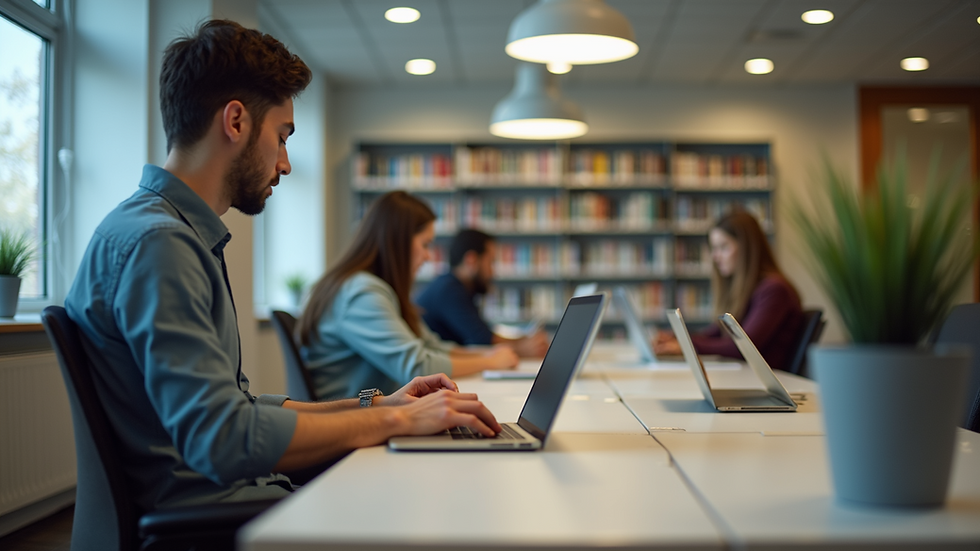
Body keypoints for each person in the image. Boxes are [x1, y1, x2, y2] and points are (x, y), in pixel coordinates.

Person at [65, 20, 500, 512]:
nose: (286, 162)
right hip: (213, 517)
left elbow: (238, 407)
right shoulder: (160, 245)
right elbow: (224, 439)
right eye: (282, 135)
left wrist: (380, 405)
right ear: (235, 122)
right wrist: (396, 422)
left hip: (223, 499)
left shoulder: (170, 232)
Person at [297, 192, 519, 401]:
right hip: (352, 421)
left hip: (368, 412)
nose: (428, 256)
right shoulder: (361, 293)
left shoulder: (376, 289)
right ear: (398, 242)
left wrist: (488, 354)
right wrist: (489, 361)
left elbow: (433, 347)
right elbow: (417, 368)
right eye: (425, 244)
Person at [653, 209, 804, 370]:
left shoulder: (775, 290)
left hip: (764, 382)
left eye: (723, 247)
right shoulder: (749, 289)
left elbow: (742, 348)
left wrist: (685, 346)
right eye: (714, 248)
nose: (715, 257)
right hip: (744, 375)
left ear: (747, 248)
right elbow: (716, 333)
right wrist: (676, 337)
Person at [416, 229, 549, 357]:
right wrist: (522, 347)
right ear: (471, 260)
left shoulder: (456, 287)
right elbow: (483, 340)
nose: (493, 272)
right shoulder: (448, 290)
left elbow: (483, 335)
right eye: (490, 262)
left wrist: (524, 341)